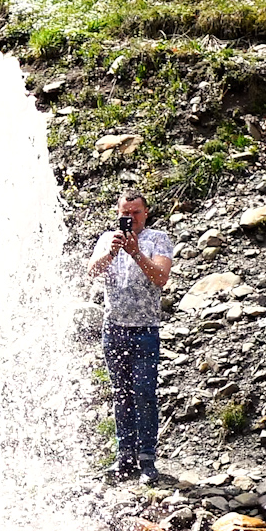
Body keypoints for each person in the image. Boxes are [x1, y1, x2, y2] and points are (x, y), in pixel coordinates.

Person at [87, 192, 174, 485]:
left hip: (145, 329)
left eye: (136, 212)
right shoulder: (107, 240)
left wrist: (136, 253)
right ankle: (124, 456)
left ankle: (147, 458)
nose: (130, 218)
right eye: (126, 212)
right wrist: (112, 252)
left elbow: (160, 277)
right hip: (114, 328)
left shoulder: (158, 239)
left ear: (146, 213)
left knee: (145, 393)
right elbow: (91, 272)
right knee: (121, 394)